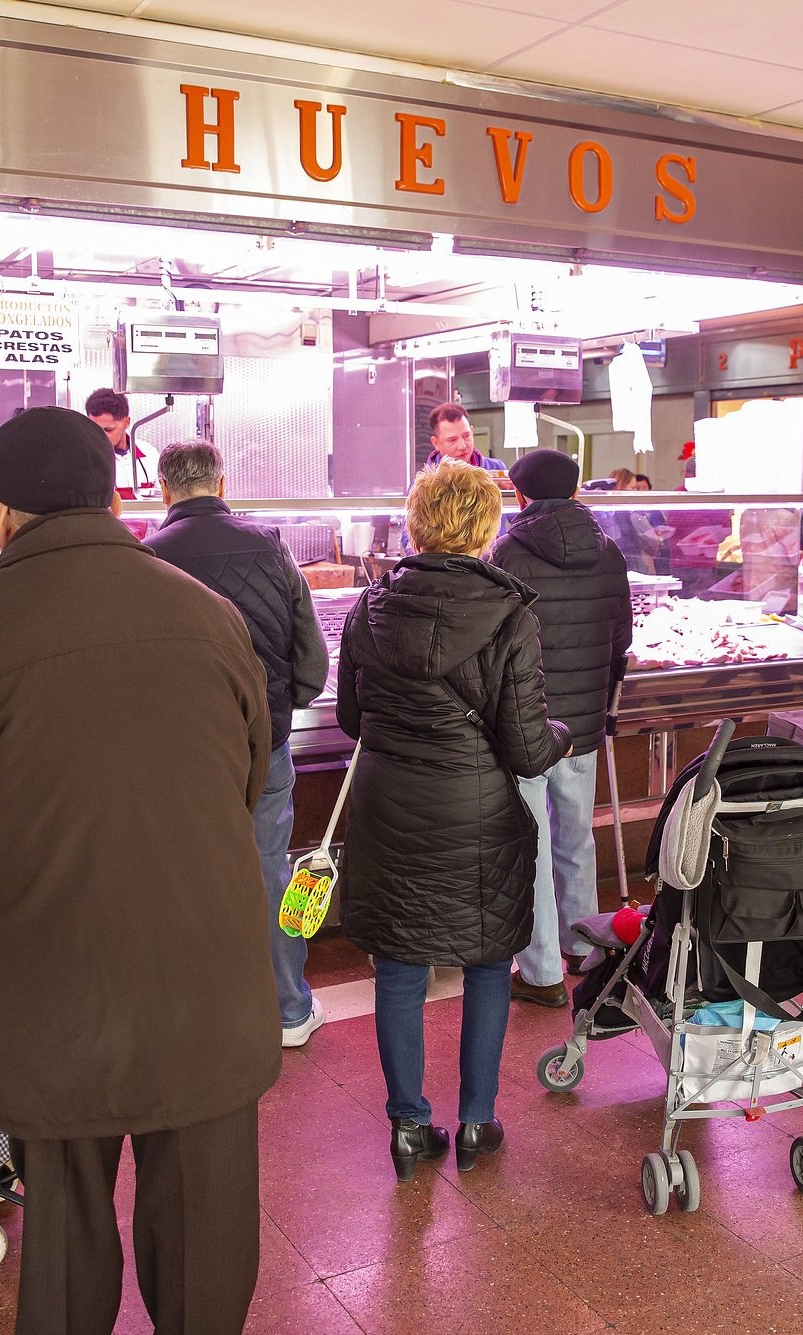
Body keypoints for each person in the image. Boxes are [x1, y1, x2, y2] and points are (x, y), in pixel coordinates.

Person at [0, 405, 274, 1335]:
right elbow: (245, 778)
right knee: (207, 1229)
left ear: (4, 514)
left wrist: (11, 871)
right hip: (206, 976)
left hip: (53, 980)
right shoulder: (210, 619)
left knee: (61, 1224)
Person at [337, 460, 569, 1181]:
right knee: (486, 963)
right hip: (476, 816)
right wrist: (560, 732)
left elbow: (351, 717)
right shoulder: (510, 617)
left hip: (388, 809)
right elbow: (529, 751)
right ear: (486, 527)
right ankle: (476, 1121)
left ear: (417, 521)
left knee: (399, 968)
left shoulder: (367, 608)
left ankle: (408, 1126)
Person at [144, 441, 330, 1046]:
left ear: (164, 490)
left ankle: (194, 1015)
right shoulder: (273, 548)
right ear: (222, 485)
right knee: (268, 868)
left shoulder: (145, 557)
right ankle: (289, 1011)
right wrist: (288, 702)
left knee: (180, 873)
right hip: (263, 743)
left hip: (181, 749)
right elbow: (310, 655)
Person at [488, 449, 633, 1007]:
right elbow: (622, 637)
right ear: (573, 493)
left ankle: (542, 969)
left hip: (527, 721)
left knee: (533, 841)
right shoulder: (609, 551)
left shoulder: (508, 552)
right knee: (576, 833)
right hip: (586, 721)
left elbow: (496, 642)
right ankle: (585, 945)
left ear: (521, 496)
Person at [85, 387, 151, 497]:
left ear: (126, 422)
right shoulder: (85, 461)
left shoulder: (150, 455)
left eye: (108, 430)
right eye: (95, 430)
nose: (101, 436)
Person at [423, 402, 505, 471]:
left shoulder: (497, 470)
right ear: (436, 443)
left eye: (466, 436)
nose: (462, 446)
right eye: (453, 440)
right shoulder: (422, 486)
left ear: (472, 432)